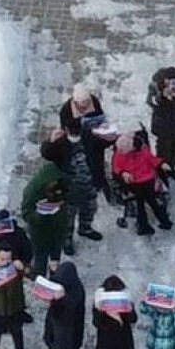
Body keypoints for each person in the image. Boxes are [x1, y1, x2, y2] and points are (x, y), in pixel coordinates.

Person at [58, 85, 114, 241]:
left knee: (97, 168)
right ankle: (67, 239)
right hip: (75, 167)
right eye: (82, 102)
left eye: (87, 100)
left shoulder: (94, 102)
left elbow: (100, 117)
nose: (85, 104)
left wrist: (102, 129)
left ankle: (86, 228)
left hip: (94, 144)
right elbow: (66, 130)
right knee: (70, 212)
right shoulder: (66, 111)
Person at [34, 256, 87, 349]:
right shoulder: (77, 288)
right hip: (75, 335)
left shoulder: (65, 299)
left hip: (59, 337)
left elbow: (58, 315)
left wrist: (57, 300)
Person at [111, 128, 172, 233]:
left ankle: (146, 226)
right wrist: (123, 173)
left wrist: (161, 163)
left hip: (144, 182)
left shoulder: (139, 152)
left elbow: (153, 160)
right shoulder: (124, 152)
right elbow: (116, 167)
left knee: (145, 203)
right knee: (148, 202)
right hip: (137, 182)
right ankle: (163, 222)